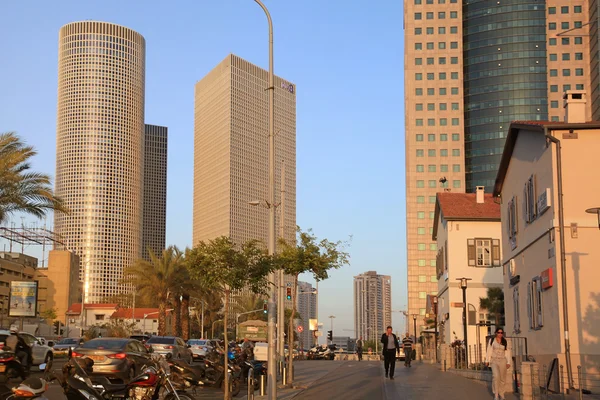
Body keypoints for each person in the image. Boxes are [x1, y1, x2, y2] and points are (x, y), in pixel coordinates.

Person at [485, 327, 511, 400]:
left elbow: (507, 352)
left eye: (501, 333)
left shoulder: (505, 341)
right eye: (498, 332)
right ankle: (496, 395)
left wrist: (508, 362)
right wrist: (487, 360)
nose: (500, 334)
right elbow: (489, 351)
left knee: (502, 378)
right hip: (494, 361)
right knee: (496, 377)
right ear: (496, 333)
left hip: (503, 360)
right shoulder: (492, 340)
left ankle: (501, 394)